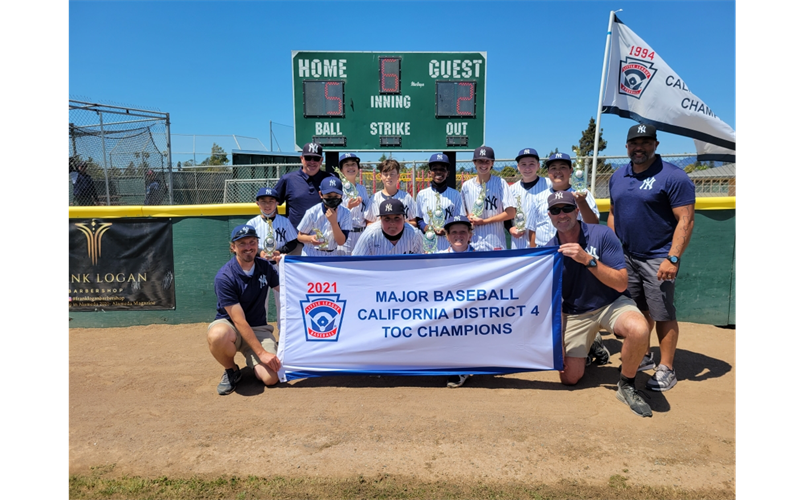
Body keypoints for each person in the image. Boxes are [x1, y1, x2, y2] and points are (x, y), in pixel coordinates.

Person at [546, 191, 652, 417]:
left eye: (566, 208)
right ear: (550, 215)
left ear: (577, 211)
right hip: (576, 313)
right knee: (569, 378)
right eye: (556, 210)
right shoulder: (549, 249)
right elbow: (553, 300)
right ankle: (592, 344)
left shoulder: (601, 234)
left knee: (639, 328)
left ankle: (627, 384)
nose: (561, 214)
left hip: (610, 303)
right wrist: (559, 339)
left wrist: (587, 260)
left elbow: (622, 283)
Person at [608, 124, 695, 392]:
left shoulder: (673, 176)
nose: (639, 148)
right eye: (634, 143)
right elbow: (613, 213)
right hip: (627, 255)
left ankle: (667, 367)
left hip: (659, 256)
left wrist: (673, 257)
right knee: (637, 310)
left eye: (646, 143)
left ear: (656, 145)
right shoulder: (618, 176)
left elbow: (686, 220)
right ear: (626, 147)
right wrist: (613, 251)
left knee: (663, 312)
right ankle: (643, 354)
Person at [207, 225, 281, 395]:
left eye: (252, 242)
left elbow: (284, 290)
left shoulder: (265, 266)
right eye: (242, 244)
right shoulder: (225, 277)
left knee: (271, 378)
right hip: (231, 326)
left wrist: (285, 263)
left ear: (257, 244)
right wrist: (261, 353)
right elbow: (238, 320)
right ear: (233, 247)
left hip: (259, 328)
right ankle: (231, 370)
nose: (248, 247)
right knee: (217, 335)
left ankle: (255, 358)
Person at [246, 187, 298, 333]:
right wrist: (258, 253)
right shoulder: (252, 224)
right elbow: (247, 246)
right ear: (257, 203)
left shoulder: (284, 221)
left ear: (277, 203)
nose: (267, 205)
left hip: (279, 266)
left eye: (271, 201)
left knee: (282, 301)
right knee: (260, 303)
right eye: (263, 201)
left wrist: (280, 251)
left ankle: (284, 336)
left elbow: (293, 242)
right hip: (259, 267)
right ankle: (261, 335)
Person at [529, 152, 600, 247]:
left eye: (563, 167)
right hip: (545, 252)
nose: (558, 171)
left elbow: (594, 224)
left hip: (574, 249)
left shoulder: (581, 193)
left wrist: (582, 202)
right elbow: (532, 230)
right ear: (548, 172)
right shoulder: (538, 197)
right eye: (553, 168)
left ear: (571, 170)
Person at [274, 143, 334, 253]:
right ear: (302, 159)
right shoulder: (288, 179)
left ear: (321, 160)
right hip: (295, 242)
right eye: (308, 158)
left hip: (324, 241)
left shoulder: (329, 179)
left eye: (316, 158)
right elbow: (273, 204)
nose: (312, 161)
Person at [460, 146, 515, 251]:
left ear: (492, 163)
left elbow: (511, 212)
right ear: (474, 163)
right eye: (480, 161)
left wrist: (485, 221)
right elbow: (462, 212)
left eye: (487, 161)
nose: (484, 165)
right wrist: (468, 217)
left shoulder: (500, 183)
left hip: (495, 242)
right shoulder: (466, 186)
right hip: (473, 243)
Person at [415, 153, 467, 252]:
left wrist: (447, 230)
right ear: (430, 172)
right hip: (428, 243)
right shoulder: (422, 194)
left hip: (450, 244)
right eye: (435, 169)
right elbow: (418, 219)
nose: (438, 172)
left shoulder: (455, 194)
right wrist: (427, 227)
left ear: (448, 173)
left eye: (442, 169)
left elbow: (459, 219)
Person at [296, 177, 352, 256]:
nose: (332, 199)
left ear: (341, 195)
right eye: (328, 196)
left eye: (336, 196)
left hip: (332, 254)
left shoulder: (346, 213)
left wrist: (334, 223)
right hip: (312, 253)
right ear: (321, 194)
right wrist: (310, 239)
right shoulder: (312, 212)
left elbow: (341, 242)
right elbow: (300, 236)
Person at [507, 148, 549, 249]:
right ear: (518, 167)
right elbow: (507, 213)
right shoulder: (512, 189)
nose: (527, 168)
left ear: (538, 165)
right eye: (523, 164)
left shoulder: (549, 184)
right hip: (519, 241)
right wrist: (510, 228)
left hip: (543, 240)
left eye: (531, 164)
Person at [352, 199, 423, 256]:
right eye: (387, 218)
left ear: (404, 219)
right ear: (380, 219)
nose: (392, 223)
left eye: (396, 218)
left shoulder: (415, 234)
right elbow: (356, 262)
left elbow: (423, 263)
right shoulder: (370, 234)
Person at [334, 153, 369, 255]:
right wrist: (348, 207)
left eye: (353, 164)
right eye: (346, 165)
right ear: (341, 170)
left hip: (362, 233)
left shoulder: (362, 189)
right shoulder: (337, 188)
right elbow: (333, 214)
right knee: (344, 267)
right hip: (345, 234)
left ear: (358, 168)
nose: (350, 167)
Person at [365, 158, 417, 225]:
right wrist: (382, 223)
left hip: (403, 234)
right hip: (380, 234)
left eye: (392, 174)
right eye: (385, 174)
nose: (389, 177)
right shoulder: (374, 198)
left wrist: (401, 222)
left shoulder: (407, 197)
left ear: (398, 176)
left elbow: (414, 222)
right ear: (380, 176)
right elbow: (368, 223)